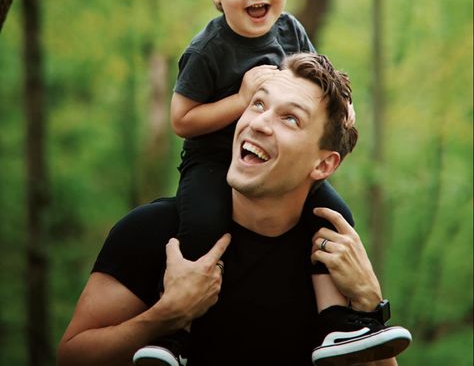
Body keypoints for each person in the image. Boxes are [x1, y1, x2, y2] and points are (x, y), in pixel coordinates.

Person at [135, 0, 406, 365]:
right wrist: (242, 100)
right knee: (202, 224)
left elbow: (318, 83)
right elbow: (182, 120)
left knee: (334, 215)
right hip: (214, 158)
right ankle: (175, 337)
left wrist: (344, 111)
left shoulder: (290, 30)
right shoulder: (207, 51)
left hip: (280, 162)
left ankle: (339, 325)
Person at [57, 53, 412, 366]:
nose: (257, 122)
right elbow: (72, 356)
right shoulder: (153, 232)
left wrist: (370, 305)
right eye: (258, 104)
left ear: (323, 165)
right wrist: (166, 316)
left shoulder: (333, 263)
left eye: (290, 119)